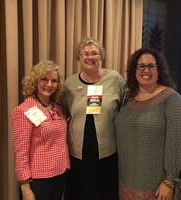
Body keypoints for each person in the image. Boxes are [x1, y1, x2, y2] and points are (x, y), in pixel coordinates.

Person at [115, 47, 181, 200]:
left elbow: (180, 143)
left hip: (158, 186)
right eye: (141, 66)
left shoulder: (172, 100)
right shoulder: (128, 97)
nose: (146, 70)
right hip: (127, 179)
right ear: (134, 70)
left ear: (159, 70)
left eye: (151, 66)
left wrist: (169, 182)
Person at [62, 37, 125, 200]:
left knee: (105, 193)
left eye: (94, 53)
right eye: (85, 53)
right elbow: (63, 111)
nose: (90, 57)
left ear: (101, 56)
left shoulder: (114, 79)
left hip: (108, 151)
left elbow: (124, 109)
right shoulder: (69, 83)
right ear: (79, 57)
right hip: (78, 153)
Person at [11, 60, 70, 200]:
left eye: (54, 80)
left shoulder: (58, 108)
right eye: (44, 79)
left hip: (61, 172)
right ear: (35, 81)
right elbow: (21, 151)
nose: (49, 84)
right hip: (39, 178)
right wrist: (25, 186)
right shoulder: (23, 110)